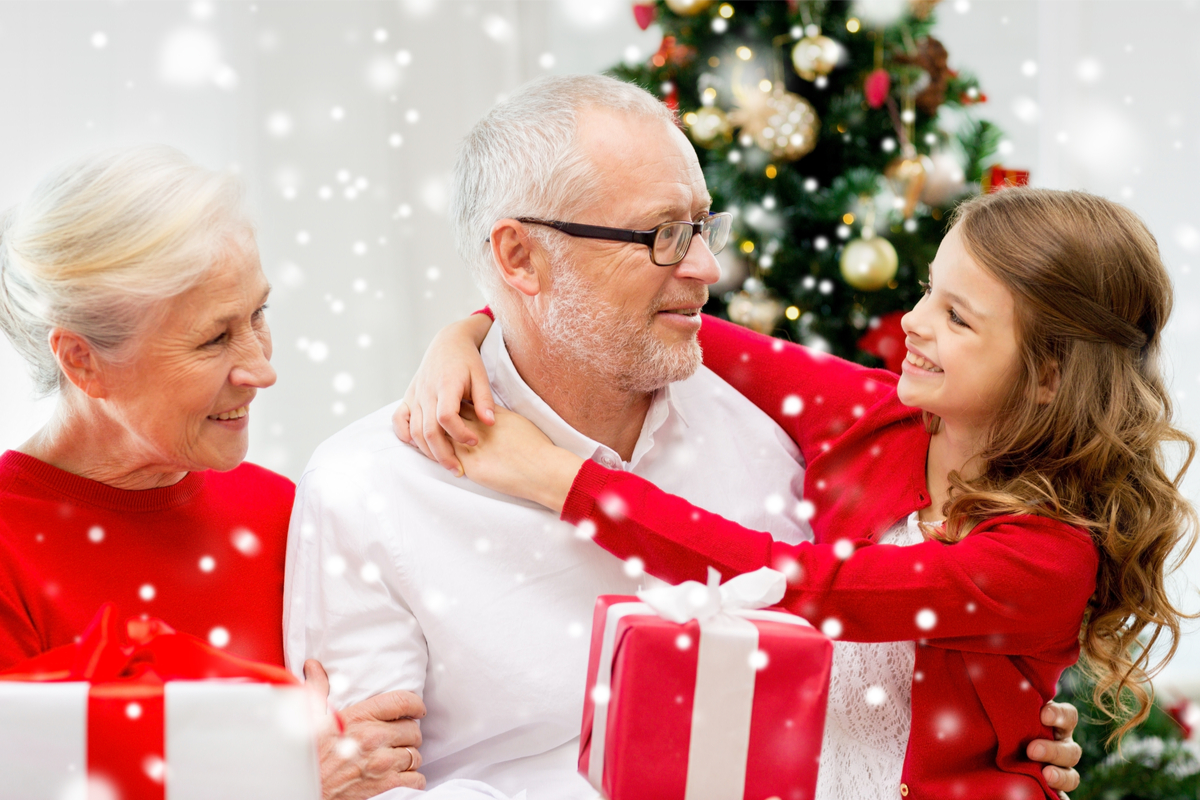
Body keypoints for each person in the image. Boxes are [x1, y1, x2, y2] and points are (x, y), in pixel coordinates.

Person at [288, 73, 1081, 798]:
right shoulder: (369, 487)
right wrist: (463, 334)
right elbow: (371, 787)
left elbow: (830, 602)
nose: (707, 267)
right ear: (520, 256)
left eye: (704, 225)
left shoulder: (777, 423)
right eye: (663, 234)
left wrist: (999, 732)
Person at [399, 187, 1197, 798]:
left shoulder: (1045, 557)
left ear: (1052, 375)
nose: (912, 321)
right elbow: (637, 319)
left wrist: (560, 480)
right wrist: (463, 334)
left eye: (957, 317)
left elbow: (803, 587)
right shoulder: (865, 413)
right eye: (927, 289)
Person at [0, 145, 425, 799]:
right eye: (212, 339)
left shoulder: (285, 511)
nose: (261, 369)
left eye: (258, 316)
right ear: (82, 360)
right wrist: (287, 784)